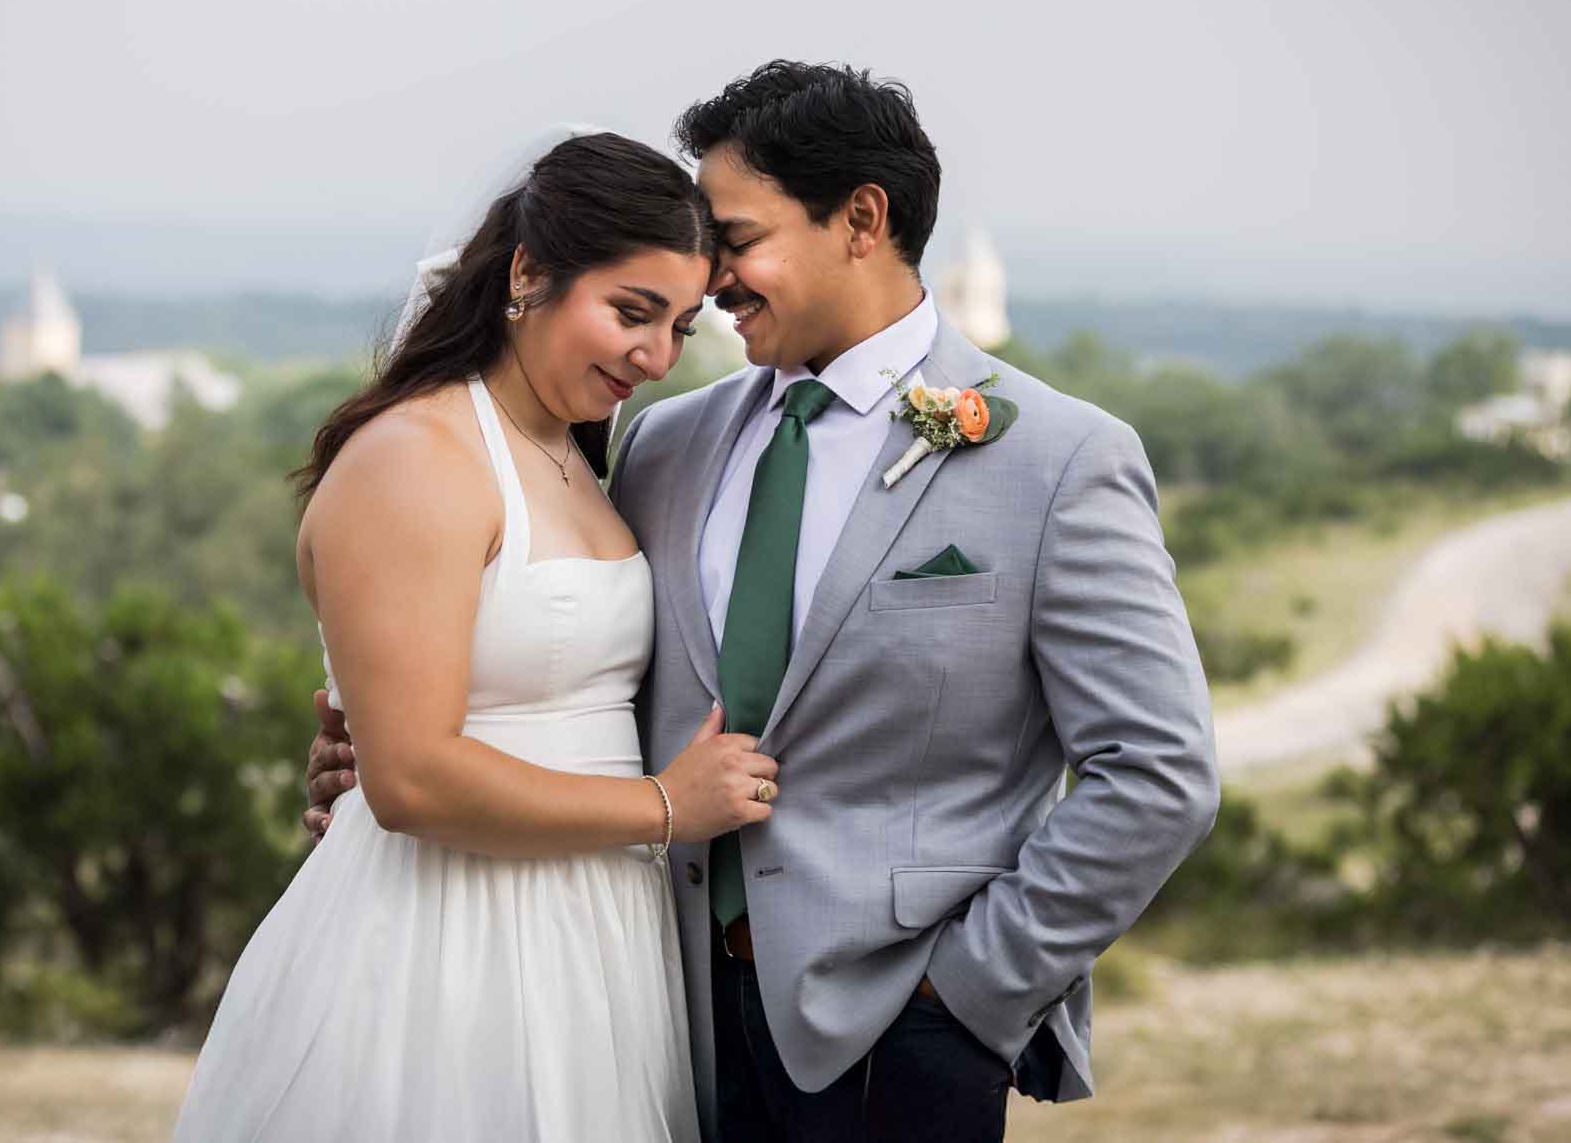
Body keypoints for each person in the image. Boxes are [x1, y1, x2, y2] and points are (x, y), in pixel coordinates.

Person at [307, 61, 1221, 1142]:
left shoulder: (1061, 458)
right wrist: (389, 746)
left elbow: (1158, 772)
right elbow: (548, 646)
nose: (715, 280)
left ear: (861, 219)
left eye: (734, 241)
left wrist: (969, 989)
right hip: (646, 1001)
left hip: (904, 1028)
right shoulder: (663, 441)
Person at [175, 132, 777, 1142]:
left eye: (679, 323)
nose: (656, 356)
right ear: (528, 274)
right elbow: (408, 781)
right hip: (451, 940)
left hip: (595, 931)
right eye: (629, 313)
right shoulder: (416, 457)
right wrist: (665, 804)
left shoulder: (574, 452)